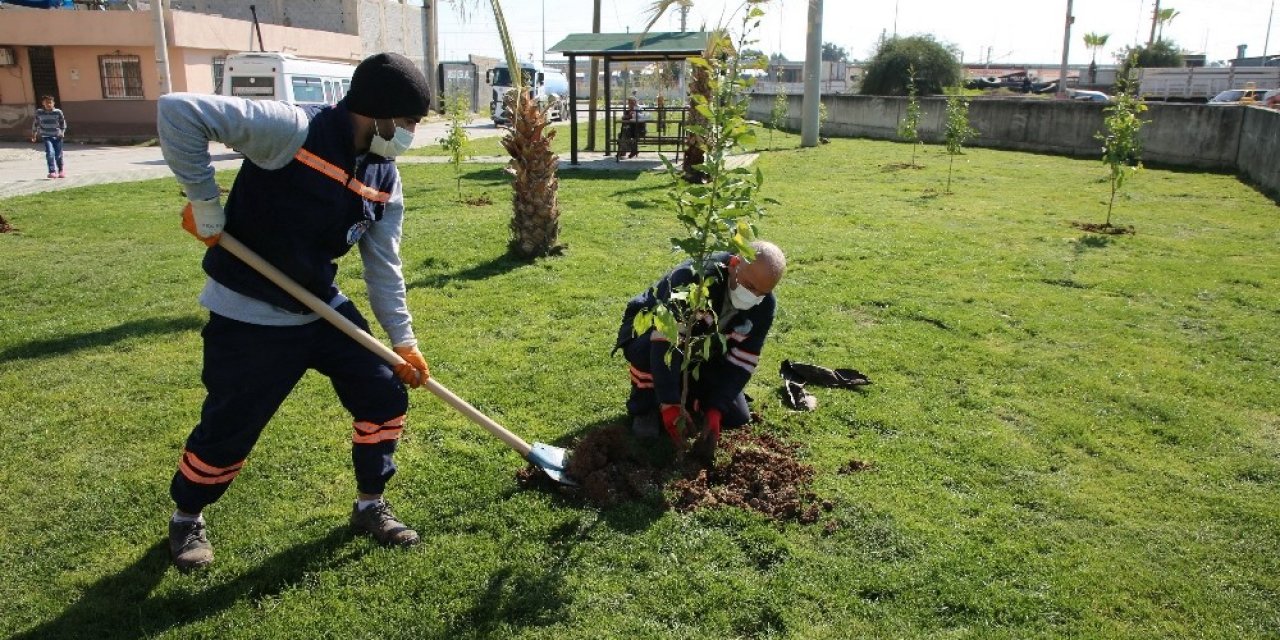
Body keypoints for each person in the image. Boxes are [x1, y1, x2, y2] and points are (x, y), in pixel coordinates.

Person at [156, 52, 433, 571]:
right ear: (379, 113)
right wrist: (206, 200)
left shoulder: (384, 174)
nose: (410, 134)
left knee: (383, 388)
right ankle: (186, 516)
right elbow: (178, 111)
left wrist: (403, 341)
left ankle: (370, 505)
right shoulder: (293, 130)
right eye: (409, 122)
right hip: (249, 312)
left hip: (318, 307)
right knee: (229, 427)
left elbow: (384, 266)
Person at [615, 241, 786, 449]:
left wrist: (716, 409)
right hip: (652, 332)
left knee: (736, 416)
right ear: (734, 263)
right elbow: (665, 340)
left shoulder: (764, 306)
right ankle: (646, 405)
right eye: (750, 286)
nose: (754, 296)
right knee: (646, 350)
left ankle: (688, 396)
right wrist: (669, 402)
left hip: (703, 347)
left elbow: (743, 360)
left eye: (762, 292)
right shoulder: (693, 279)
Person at [31, 95, 67, 178]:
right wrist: (34, 134)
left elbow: (62, 123)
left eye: (50, 102)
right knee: (50, 153)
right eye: (46, 103)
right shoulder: (39, 112)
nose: (49, 104)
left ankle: (61, 170)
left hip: (57, 136)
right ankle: (52, 171)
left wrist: (62, 132)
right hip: (46, 135)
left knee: (58, 155)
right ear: (43, 103)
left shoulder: (58, 112)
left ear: (53, 103)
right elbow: (36, 123)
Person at [617, 96, 642, 160]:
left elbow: (640, 118)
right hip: (630, 130)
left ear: (635, 102)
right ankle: (629, 150)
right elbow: (623, 117)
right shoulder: (628, 111)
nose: (630, 104)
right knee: (623, 133)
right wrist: (628, 116)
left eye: (632, 102)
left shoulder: (638, 109)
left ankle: (623, 151)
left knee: (624, 133)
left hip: (638, 130)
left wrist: (630, 115)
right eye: (629, 102)